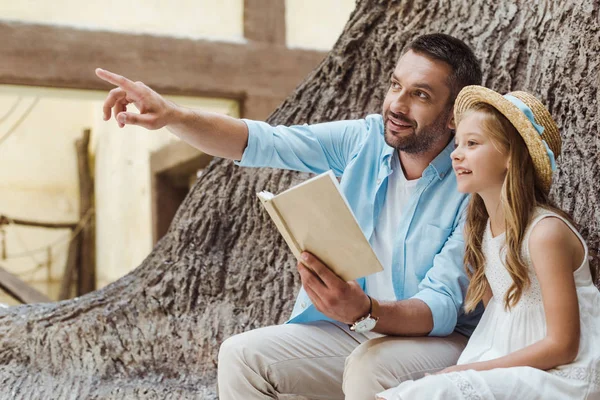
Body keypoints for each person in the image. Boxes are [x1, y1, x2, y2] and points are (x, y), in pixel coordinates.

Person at [96, 33, 483, 399]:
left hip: (439, 345)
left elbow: (441, 306)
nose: (397, 105)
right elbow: (261, 141)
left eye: (420, 95)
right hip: (355, 332)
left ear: (453, 115)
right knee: (242, 356)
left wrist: (365, 311)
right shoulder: (363, 141)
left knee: (370, 366)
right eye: (395, 86)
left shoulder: (471, 183)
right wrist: (173, 115)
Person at [376, 86, 600, 399]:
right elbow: (499, 322)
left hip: (560, 374)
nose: (456, 153)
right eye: (457, 144)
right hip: (500, 360)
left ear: (511, 155)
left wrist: (467, 372)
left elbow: (564, 346)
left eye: (472, 143)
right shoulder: (485, 232)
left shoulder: (545, 233)